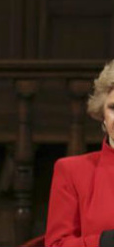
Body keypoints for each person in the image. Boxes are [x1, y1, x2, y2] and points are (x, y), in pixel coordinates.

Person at [46, 60, 114, 247]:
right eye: (113, 108)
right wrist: (104, 242)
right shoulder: (72, 171)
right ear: (102, 113)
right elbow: (56, 244)